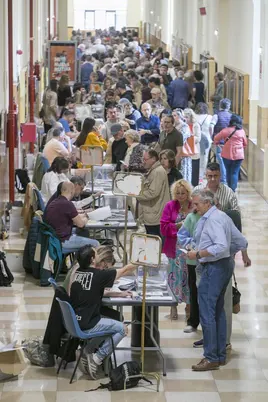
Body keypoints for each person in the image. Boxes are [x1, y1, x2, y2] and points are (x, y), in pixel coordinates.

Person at [187, 189, 248, 371]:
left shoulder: (213, 220)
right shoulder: (222, 216)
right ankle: (220, 354)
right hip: (224, 266)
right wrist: (228, 257)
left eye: (197, 204)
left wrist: (198, 253)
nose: (194, 207)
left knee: (207, 311)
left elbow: (220, 246)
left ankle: (211, 357)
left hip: (214, 268)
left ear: (207, 203)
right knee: (218, 310)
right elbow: (241, 242)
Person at [68, 245, 137, 379]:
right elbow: (125, 270)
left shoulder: (77, 273)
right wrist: (141, 260)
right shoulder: (98, 275)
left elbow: (92, 290)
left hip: (75, 321)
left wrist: (120, 294)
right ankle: (97, 358)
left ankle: (87, 351)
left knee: (111, 322)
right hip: (88, 324)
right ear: (93, 259)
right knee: (122, 329)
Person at [160, 179, 192, 319]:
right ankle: (173, 307)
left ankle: (189, 306)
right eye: (177, 193)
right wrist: (178, 226)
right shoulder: (170, 206)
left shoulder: (193, 206)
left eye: (183, 193)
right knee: (173, 279)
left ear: (188, 193)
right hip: (174, 249)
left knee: (189, 278)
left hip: (190, 250)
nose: (180, 196)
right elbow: (163, 227)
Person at [45, 182, 99, 253]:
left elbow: (71, 218)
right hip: (62, 241)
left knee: (83, 233)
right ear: (71, 191)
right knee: (96, 244)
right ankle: (93, 263)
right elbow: (81, 224)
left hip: (53, 239)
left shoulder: (55, 201)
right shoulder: (67, 204)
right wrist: (88, 217)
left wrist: (85, 215)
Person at [137, 149, 170, 237]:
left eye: (145, 159)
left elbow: (153, 193)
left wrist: (136, 194)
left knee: (155, 242)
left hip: (155, 215)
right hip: (152, 214)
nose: (144, 162)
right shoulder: (154, 170)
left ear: (153, 159)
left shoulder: (157, 171)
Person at [178, 210, 201, 332]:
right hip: (193, 261)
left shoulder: (213, 217)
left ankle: (208, 324)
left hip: (209, 262)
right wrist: (191, 244)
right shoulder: (191, 218)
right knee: (193, 291)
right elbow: (181, 235)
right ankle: (193, 322)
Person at [214, 114, 247, 191]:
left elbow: (216, 138)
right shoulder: (242, 131)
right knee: (235, 172)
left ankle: (229, 189)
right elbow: (245, 143)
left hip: (226, 154)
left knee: (228, 171)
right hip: (239, 155)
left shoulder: (225, 130)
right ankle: (233, 190)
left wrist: (218, 144)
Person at [210, 98, 232, 184]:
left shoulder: (216, 116)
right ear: (229, 106)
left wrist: (212, 137)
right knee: (229, 160)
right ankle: (228, 178)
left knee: (221, 161)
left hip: (219, 142)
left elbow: (211, 126)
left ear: (220, 106)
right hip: (229, 142)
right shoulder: (231, 117)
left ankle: (223, 179)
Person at [172, 109, 192, 182]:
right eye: (172, 115)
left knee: (183, 173)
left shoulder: (184, 126)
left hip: (183, 154)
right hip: (174, 152)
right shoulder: (173, 126)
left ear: (179, 116)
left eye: (175, 115)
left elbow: (181, 139)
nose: (173, 117)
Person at [195, 103, 213, 182]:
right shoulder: (209, 117)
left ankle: (195, 174)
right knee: (204, 158)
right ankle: (201, 176)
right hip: (206, 140)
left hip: (196, 139)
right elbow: (211, 128)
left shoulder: (194, 116)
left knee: (195, 157)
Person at [184, 108, 201, 187]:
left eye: (187, 117)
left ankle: (195, 185)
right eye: (184, 117)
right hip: (185, 150)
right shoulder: (183, 125)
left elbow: (198, 138)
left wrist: (190, 137)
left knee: (194, 169)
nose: (185, 119)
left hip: (194, 149)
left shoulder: (196, 125)